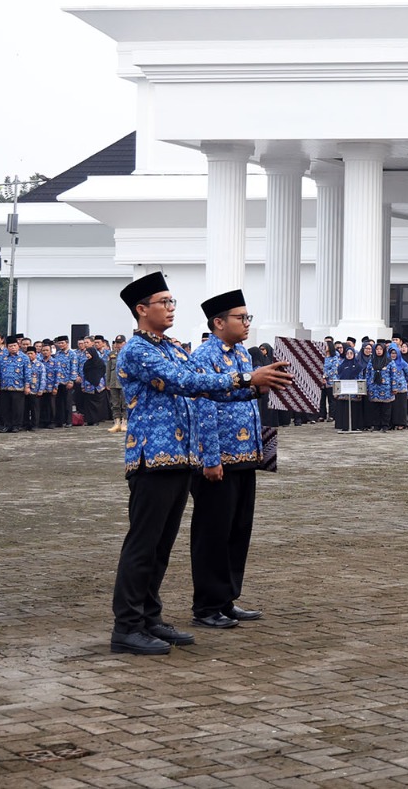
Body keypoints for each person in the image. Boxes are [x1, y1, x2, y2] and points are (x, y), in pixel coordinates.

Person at [108, 272, 291, 655]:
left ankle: (150, 618)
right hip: (152, 458)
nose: (172, 308)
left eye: (173, 302)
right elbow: (184, 382)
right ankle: (126, 626)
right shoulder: (139, 351)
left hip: (179, 458)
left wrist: (253, 387)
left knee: (161, 547)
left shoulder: (171, 348)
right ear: (142, 310)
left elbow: (204, 389)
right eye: (164, 302)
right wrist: (245, 378)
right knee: (143, 545)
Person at [189, 289, 268, 629]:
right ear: (218, 322)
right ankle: (206, 605)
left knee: (238, 530)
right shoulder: (203, 357)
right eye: (241, 317)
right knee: (212, 532)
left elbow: (246, 399)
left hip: (244, 456)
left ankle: (227, 599)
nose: (247, 323)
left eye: (248, 317)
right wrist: (210, 458)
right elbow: (203, 407)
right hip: (217, 459)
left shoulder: (241, 355)